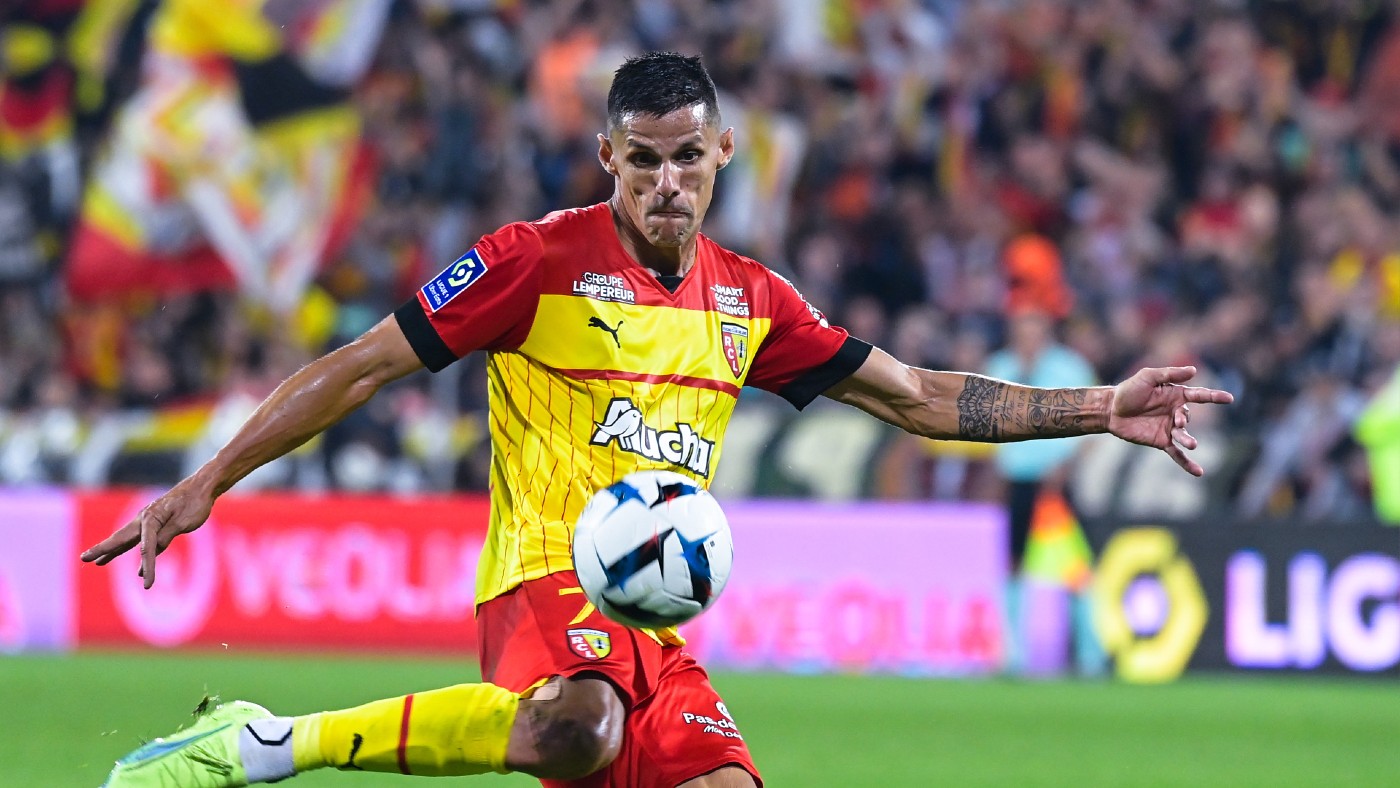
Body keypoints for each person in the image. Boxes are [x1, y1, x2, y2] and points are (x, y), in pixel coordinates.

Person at [85, 52, 1233, 788]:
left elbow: (919, 396)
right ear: (606, 157)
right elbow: (360, 366)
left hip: (651, 610)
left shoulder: (751, 300)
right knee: (576, 727)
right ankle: (264, 741)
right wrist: (208, 478)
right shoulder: (533, 260)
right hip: (540, 576)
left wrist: (1098, 405)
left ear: (721, 152)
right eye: (641, 161)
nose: (666, 183)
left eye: (687, 157)